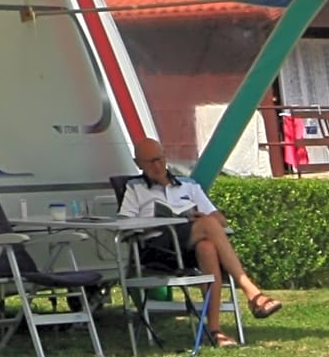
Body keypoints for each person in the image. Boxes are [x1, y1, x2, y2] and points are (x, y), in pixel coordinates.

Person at [119, 135, 279, 341]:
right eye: (150, 162)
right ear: (138, 164)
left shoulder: (188, 186)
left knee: (207, 247)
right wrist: (153, 221)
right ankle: (251, 291)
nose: (157, 166)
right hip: (157, 246)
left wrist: (201, 217)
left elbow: (221, 221)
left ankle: (215, 330)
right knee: (207, 226)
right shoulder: (134, 188)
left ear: (165, 157)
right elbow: (124, 223)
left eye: (159, 159)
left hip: (188, 246)